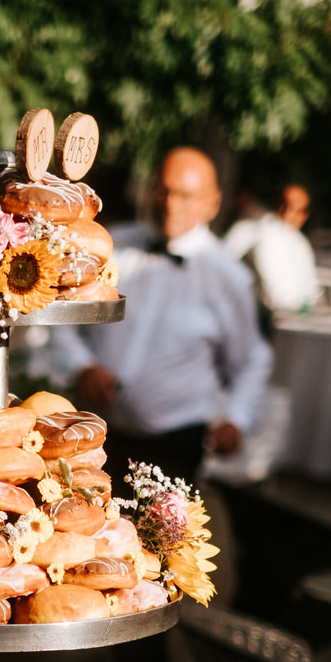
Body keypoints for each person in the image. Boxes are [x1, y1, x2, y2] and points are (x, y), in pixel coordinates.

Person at [45, 146, 272, 488]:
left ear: (212, 202)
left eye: (185, 195)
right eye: (163, 190)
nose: (170, 204)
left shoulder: (229, 278)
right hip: (96, 433)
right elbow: (60, 315)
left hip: (176, 443)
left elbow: (252, 358)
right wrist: (82, 366)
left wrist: (237, 419)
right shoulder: (111, 247)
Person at [225, 183, 319, 316]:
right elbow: (222, 262)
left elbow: (310, 289)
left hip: (292, 317)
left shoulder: (301, 244)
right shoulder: (252, 230)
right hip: (257, 313)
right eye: (288, 206)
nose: (292, 214)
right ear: (279, 205)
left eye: (300, 210)